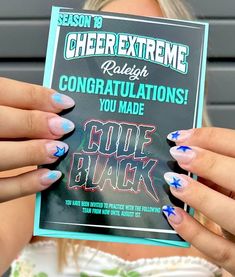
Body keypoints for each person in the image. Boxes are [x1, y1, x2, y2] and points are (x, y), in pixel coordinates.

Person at [0, 0, 234, 276]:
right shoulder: (35, 174)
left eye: (152, 47)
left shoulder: (220, 204)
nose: (131, 74)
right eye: (112, 43)